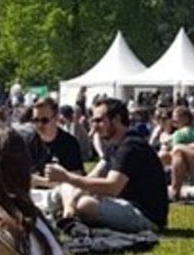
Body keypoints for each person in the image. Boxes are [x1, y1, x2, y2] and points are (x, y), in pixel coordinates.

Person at [45, 97, 169, 233]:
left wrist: (68, 178)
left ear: (116, 119)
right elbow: (94, 175)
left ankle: (67, 216)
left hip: (146, 216)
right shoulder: (115, 145)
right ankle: (68, 215)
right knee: (67, 187)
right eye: (92, 121)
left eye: (98, 120)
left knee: (85, 204)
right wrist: (71, 188)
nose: (94, 126)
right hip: (125, 204)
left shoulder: (131, 146)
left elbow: (112, 187)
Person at [24, 97, 85, 180]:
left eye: (44, 120)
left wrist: (41, 181)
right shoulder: (28, 143)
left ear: (56, 118)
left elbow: (78, 176)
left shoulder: (69, 143)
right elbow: (22, 176)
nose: (39, 125)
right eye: (35, 120)